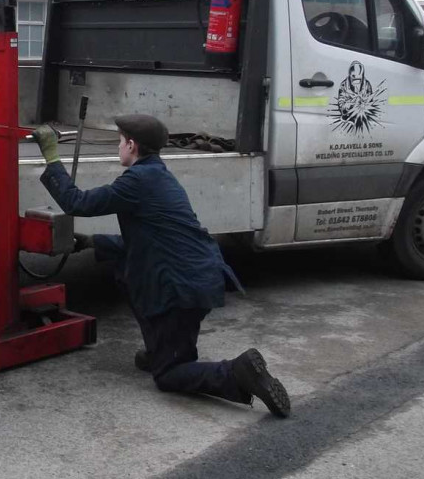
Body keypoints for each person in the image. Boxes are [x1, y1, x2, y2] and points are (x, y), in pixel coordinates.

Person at [31, 114, 291, 417]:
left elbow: (78, 203)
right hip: (199, 276)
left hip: (179, 287)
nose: (118, 146)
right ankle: (161, 350)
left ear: (131, 145)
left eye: (119, 141)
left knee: (169, 375)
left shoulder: (136, 181)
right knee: (124, 271)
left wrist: (51, 155)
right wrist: (91, 242)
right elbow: (149, 242)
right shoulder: (159, 175)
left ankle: (237, 372)